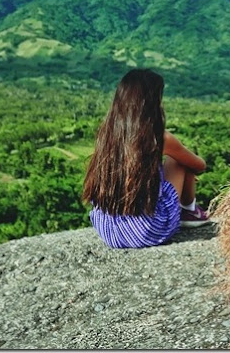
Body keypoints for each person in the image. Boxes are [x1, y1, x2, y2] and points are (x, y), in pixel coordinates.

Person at [82, 68, 211, 248]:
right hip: (148, 231)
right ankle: (190, 211)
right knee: (179, 162)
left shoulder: (108, 136)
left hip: (109, 232)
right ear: (151, 103)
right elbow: (199, 165)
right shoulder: (158, 138)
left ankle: (187, 211)